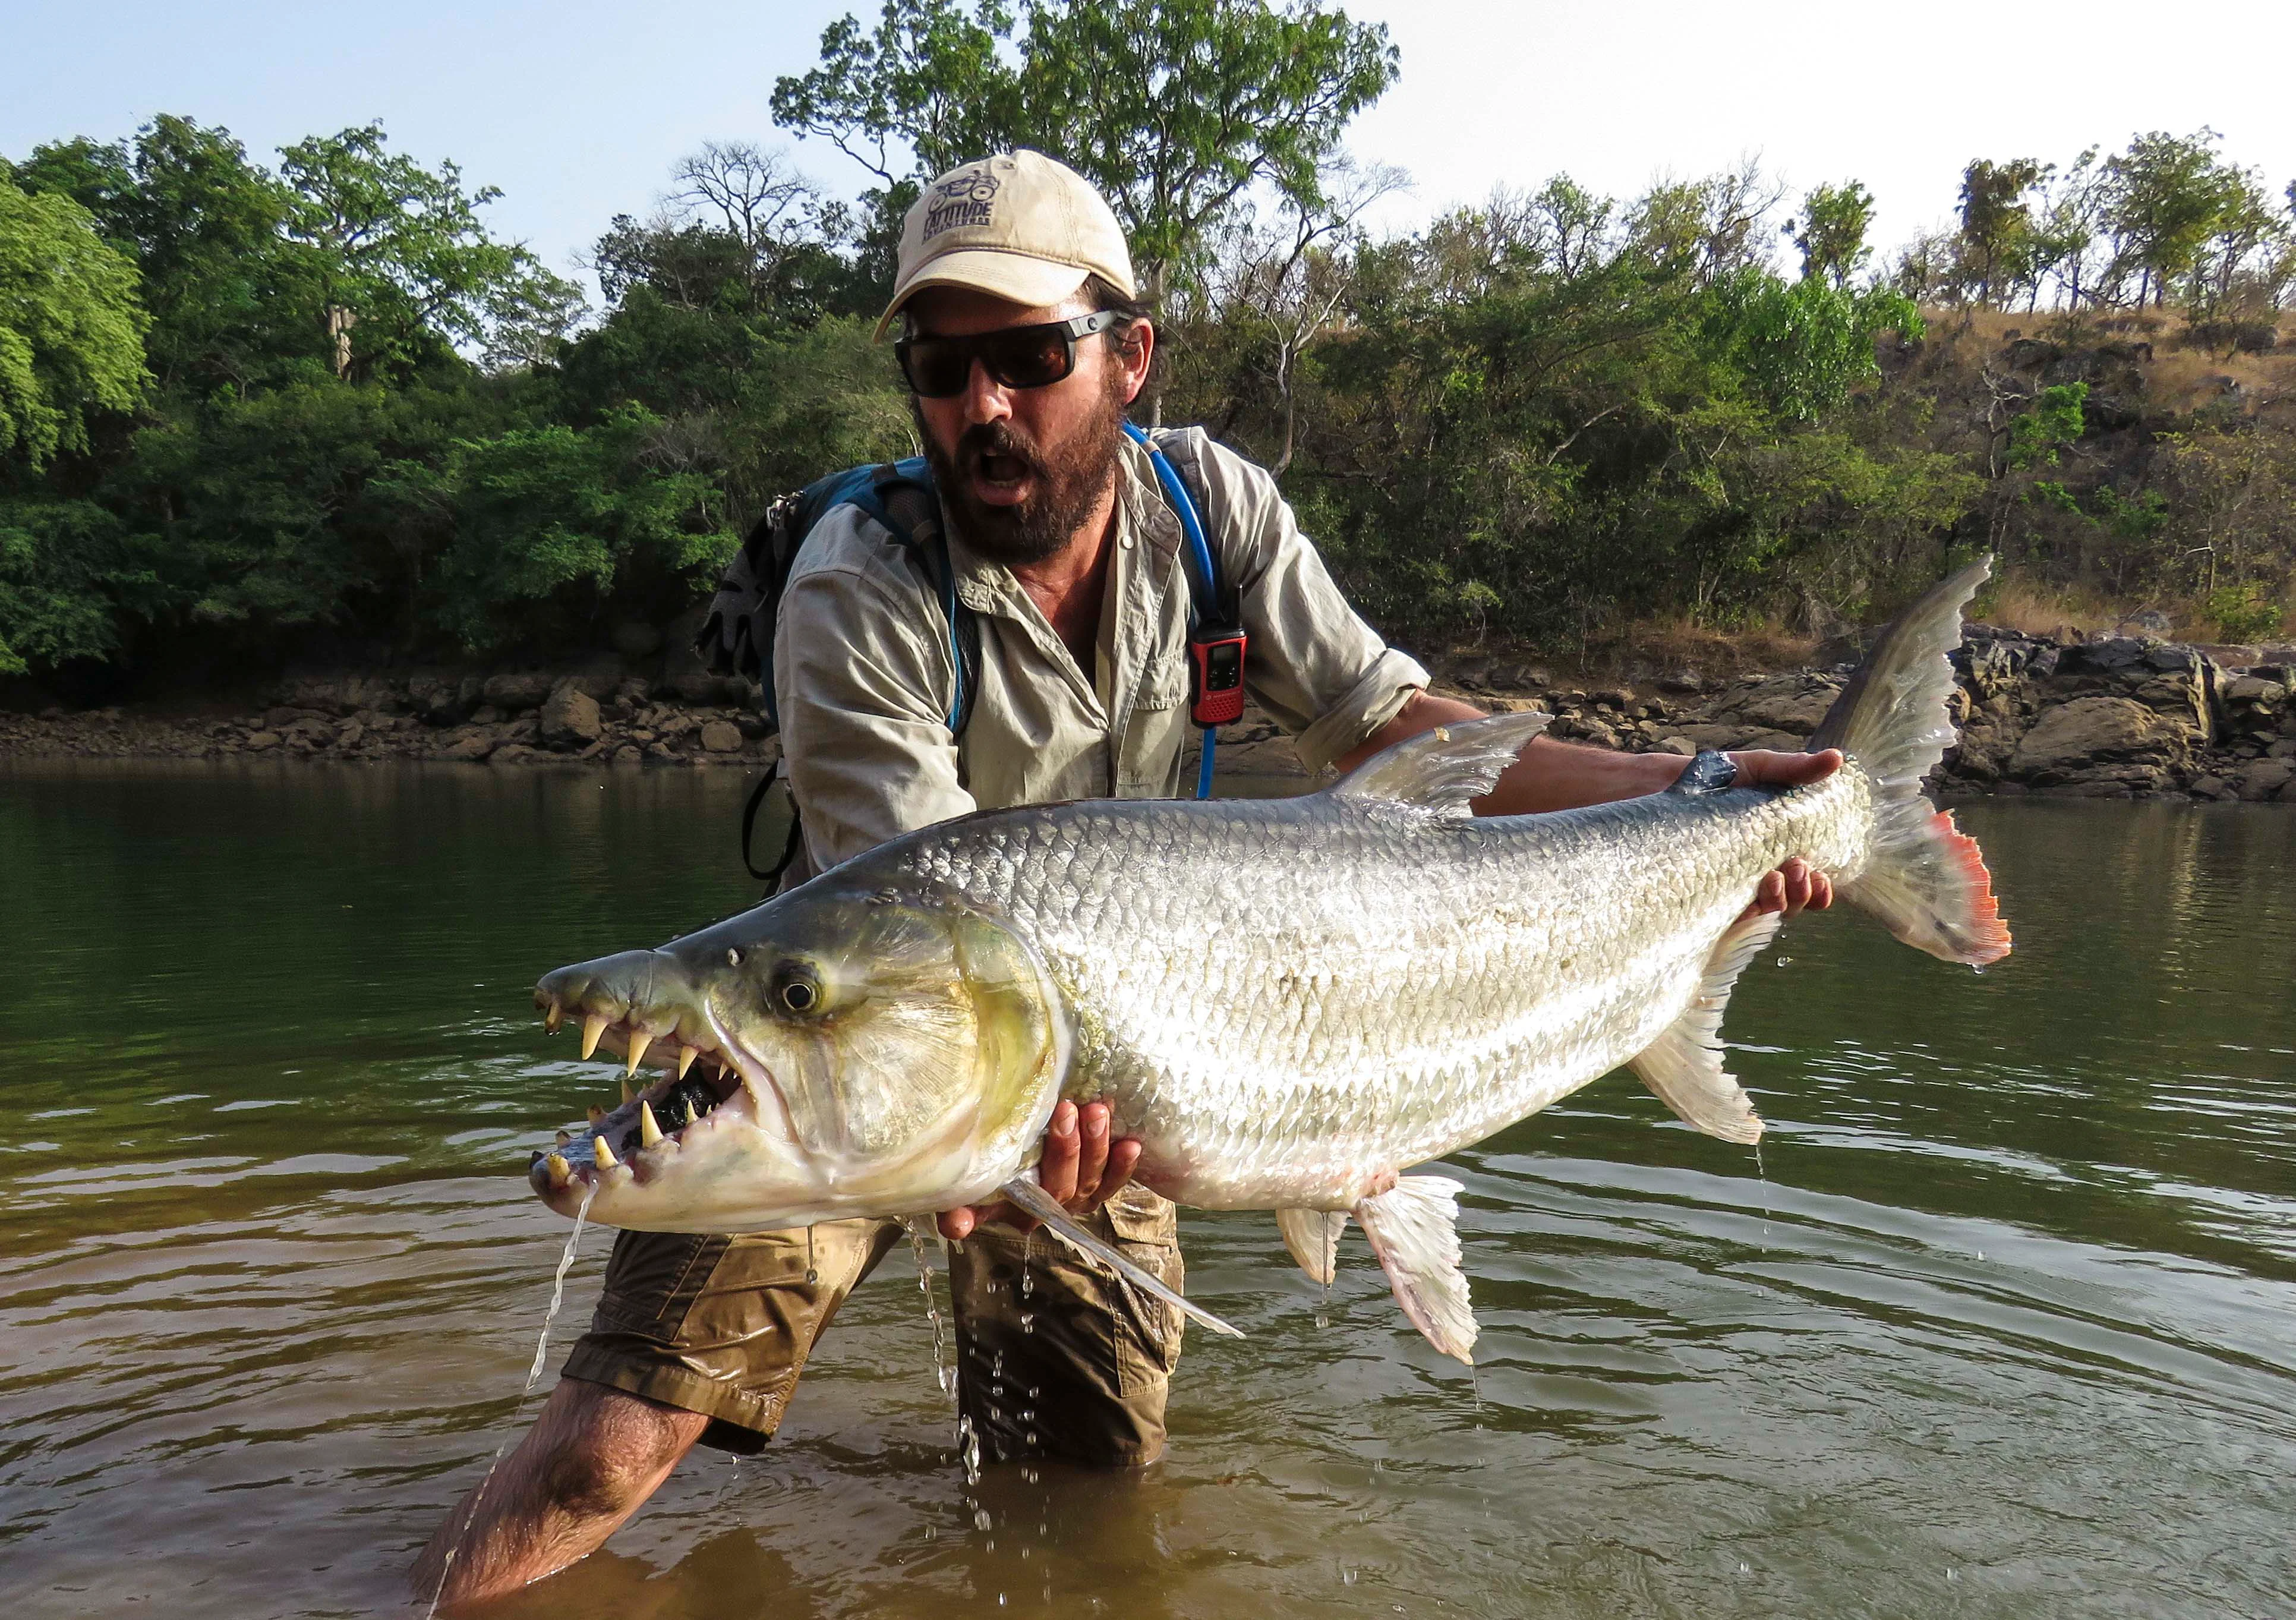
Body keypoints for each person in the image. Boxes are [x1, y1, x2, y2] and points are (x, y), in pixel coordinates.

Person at [412, 148, 1835, 1609]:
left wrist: (1712, 795)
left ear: (1129, 355)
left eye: (1030, 356)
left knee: (1089, 1503)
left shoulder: (1218, 514)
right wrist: (992, 1125)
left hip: (1106, 1086)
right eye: (940, 365)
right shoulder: (853, 581)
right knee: (608, 1450)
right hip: (842, 1055)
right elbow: (924, 916)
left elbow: (1397, 730)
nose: (983, 407)